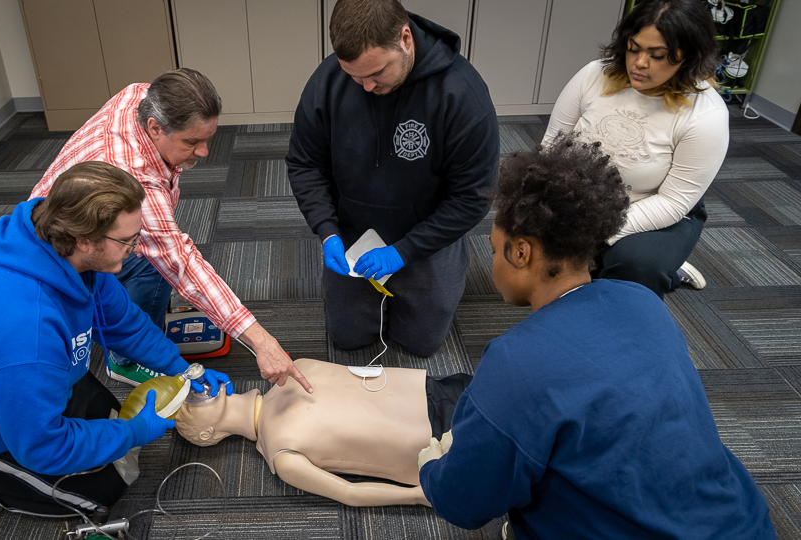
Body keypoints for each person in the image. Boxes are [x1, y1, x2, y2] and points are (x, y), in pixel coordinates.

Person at [416, 135, 775, 538]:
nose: (493, 259)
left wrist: (432, 468)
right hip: (743, 523)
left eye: (496, 249)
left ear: (521, 253)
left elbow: (463, 504)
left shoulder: (516, 361)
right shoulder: (642, 300)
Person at [0, 161, 233, 540]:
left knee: (112, 435)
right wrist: (132, 432)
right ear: (85, 239)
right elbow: (44, 447)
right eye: (127, 241)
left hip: (18, 382)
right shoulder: (24, 326)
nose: (134, 251)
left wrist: (184, 369)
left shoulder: (67, 254)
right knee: (101, 492)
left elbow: (124, 324)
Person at [31, 68, 312, 393]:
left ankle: (131, 322)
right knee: (154, 263)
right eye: (192, 141)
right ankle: (123, 358)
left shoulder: (141, 95)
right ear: (154, 127)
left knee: (142, 269)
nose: (205, 152)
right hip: (60, 251)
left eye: (208, 138)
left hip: (64, 218)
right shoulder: (135, 179)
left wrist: (182, 368)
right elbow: (182, 264)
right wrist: (262, 342)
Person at [286, 0, 498, 357]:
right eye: (355, 76)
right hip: (353, 231)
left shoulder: (462, 94)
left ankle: (448, 263)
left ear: (405, 38)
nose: (365, 86)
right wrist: (326, 231)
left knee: (422, 343)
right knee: (347, 337)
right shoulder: (328, 81)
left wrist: (406, 250)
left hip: (427, 231)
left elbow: (472, 197)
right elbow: (304, 163)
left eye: (377, 73)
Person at [542, 0, 728, 298]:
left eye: (658, 56)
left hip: (654, 209)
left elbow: (673, 202)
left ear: (688, 57)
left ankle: (661, 265)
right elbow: (551, 148)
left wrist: (595, 232)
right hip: (579, 199)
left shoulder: (706, 115)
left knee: (635, 267)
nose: (640, 63)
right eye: (633, 48)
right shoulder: (593, 75)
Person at [171, 357, 471, 507]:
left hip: (435, 386)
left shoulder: (291, 370)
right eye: (187, 407)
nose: (192, 391)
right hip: (439, 438)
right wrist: (421, 495)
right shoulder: (283, 455)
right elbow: (349, 492)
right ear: (205, 435)